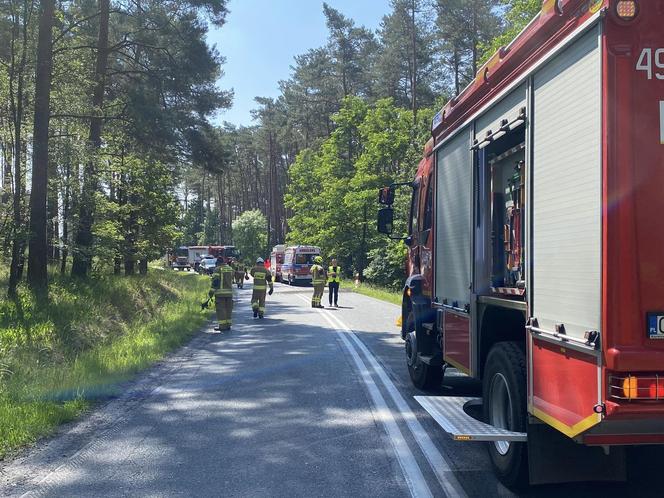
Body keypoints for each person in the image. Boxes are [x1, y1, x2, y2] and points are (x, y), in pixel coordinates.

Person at [209, 257, 234, 331]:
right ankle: (228, 325)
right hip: (229, 293)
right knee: (228, 309)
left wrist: (211, 291)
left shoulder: (217, 269)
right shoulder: (230, 268)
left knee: (221, 309)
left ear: (218, 263)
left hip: (220, 294)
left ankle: (222, 326)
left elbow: (216, 281)